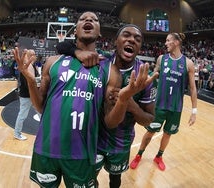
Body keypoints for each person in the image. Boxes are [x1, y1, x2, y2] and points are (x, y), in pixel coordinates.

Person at [12, 12, 155, 188]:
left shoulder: (111, 70)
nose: (88, 20)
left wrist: (124, 99)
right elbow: (41, 107)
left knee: (114, 179)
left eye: (95, 19)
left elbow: (112, 122)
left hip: (86, 151)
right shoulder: (53, 62)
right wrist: (31, 81)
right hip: (47, 147)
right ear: (75, 30)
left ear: (100, 34)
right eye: (83, 19)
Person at [56, 24, 158, 188]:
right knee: (89, 180)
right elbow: (61, 46)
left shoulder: (145, 77)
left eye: (137, 39)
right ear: (115, 41)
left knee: (115, 179)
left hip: (120, 143)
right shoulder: (100, 60)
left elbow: (149, 120)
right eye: (126, 35)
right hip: (93, 139)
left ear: (140, 47)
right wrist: (78, 52)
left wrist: (130, 105)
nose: (131, 39)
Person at [130, 32, 197, 171]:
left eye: (168, 41)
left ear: (176, 42)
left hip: (176, 108)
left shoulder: (188, 64)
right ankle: (139, 155)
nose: (165, 43)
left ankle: (159, 156)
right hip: (159, 106)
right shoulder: (161, 59)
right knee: (150, 132)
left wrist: (194, 111)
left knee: (168, 134)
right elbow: (153, 76)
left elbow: (192, 88)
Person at [13, 63, 40, 141]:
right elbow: (28, 84)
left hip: (31, 95)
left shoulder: (32, 66)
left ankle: (45, 132)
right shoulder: (26, 68)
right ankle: (17, 134)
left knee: (41, 113)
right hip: (26, 96)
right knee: (22, 115)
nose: (35, 56)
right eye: (33, 55)